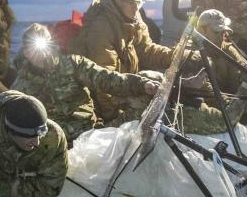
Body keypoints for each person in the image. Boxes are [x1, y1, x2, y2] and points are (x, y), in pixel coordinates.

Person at [12, 24, 160, 144]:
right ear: (25, 52)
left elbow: (106, 79)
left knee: (146, 95)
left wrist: (141, 84)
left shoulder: (73, 64)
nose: (41, 54)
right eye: (32, 49)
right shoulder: (20, 87)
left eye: (43, 47)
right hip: (56, 147)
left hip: (91, 134)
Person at [72, 0, 189, 123]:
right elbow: (104, 80)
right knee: (148, 89)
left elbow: (147, 50)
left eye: (139, 2)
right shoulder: (101, 28)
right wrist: (112, 118)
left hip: (125, 86)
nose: (136, 7)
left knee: (160, 83)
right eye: (131, 2)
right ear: (118, 2)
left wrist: (178, 56)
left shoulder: (134, 19)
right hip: (106, 98)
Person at [194, 9, 247, 95]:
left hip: (228, 101)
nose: (220, 37)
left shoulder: (227, 49)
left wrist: (246, 87)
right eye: (216, 32)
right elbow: (206, 93)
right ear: (202, 31)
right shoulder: (193, 55)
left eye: (223, 33)